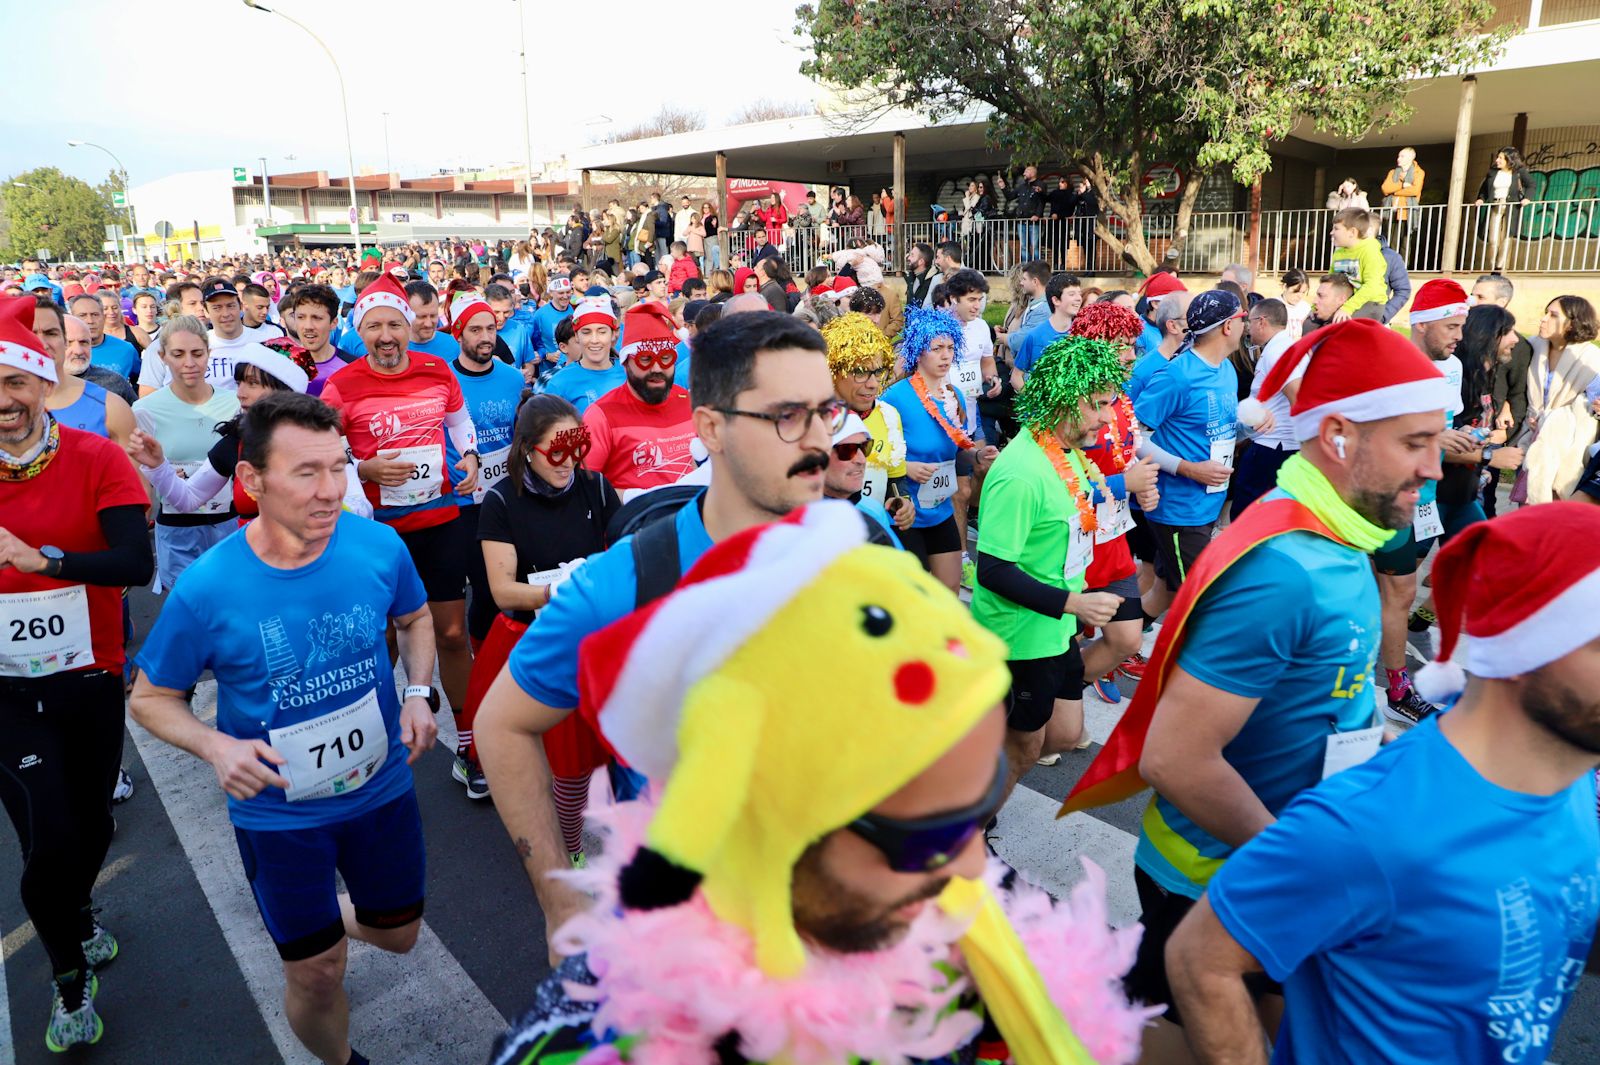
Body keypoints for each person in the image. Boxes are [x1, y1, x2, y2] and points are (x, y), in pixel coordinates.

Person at [487, 501, 1153, 1065]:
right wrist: (557, 900)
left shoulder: (982, 930)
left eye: (972, 809)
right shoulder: (599, 1033)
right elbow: (504, 722)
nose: (973, 866)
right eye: (919, 833)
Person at [1065, 318, 1453, 1059]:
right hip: (1218, 878)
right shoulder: (1286, 566)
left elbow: (1323, 700)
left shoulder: (1337, 540)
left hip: (1271, 867)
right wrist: (1304, 858)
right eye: (1415, 442)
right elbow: (1175, 757)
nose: (1435, 466)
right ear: (1338, 435)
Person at [1167, 502, 1600, 1065]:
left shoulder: (1566, 779)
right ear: (1527, 645)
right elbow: (1201, 957)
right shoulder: (1375, 823)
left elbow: (1557, 920)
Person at [473, 313, 839, 963]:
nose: (818, 442)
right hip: (694, 935)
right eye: (787, 416)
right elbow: (501, 725)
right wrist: (559, 898)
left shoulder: (863, 540)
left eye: (825, 412)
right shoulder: (626, 581)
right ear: (711, 428)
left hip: (843, 911)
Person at [130, 392, 438, 1065]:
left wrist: (418, 693)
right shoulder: (208, 587)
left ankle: (326, 927)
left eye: (340, 466)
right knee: (317, 971)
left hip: (381, 792)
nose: (331, 490)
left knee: (402, 934)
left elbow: (415, 619)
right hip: (279, 817)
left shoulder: (379, 545)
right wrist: (215, 743)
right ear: (251, 480)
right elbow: (151, 697)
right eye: (307, 472)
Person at [0, 296, 153, 1052]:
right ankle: (67, 978)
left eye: (15, 384)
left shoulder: (95, 456)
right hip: (3, 691)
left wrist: (47, 562)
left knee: (90, 822)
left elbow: (136, 560)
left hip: (89, 673)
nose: (4, 403)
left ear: (39, 383)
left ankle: (82, 910)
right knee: (45, 833)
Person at [973, 333, 1129, 801]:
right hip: (1020, 637)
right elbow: (992, 571)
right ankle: (971, 830)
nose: (1107, 417)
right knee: (1023, 749)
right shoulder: (1021, 472)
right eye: (1099, 404)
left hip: (1057, 627)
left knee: (1061, 735)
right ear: (1064, 399)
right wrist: (1075, 601)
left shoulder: (1067, 452)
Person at [320, 272, 481, 718]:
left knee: (450, 632)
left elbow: (459, 423)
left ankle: (470, 747)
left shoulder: (436, 369)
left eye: (395, 325)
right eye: (375, 326)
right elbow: (326, 448)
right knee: (385, 635)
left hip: (441, 519)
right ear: (360, 331)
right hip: (379, 531)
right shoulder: (343, 384)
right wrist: (361, 467)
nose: (386, 336)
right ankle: (375, 738)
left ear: (409, 327)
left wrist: (469, 455)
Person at [462, 397, 620, 843]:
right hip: (531, 638)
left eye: (578, 447)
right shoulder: (501, 500)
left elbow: (624, 557)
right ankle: (562, 847)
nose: (569, 461)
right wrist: (562, 592)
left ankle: (593, 839)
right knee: (551, 757)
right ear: (528, 448)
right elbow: (502, 590)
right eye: (557, 450)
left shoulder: (598, 488)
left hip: (595, 637)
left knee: (606, 751)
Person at [1069, 302, 1163, 707]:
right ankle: (1052, 712)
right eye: (1120, 345)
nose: (1130, 355)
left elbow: (1129, 453)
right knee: (1065, 638)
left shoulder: (1121, 399)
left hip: (1113, 538)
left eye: (1132, 346)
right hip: (1072, 541)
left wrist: (1141, 487)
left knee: (1125, 638)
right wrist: (1125, 483)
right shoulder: (1066, 397)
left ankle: (1067, 693)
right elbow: (1058, 481)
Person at [1133, 290, 1245, 619]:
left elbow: (1217, 430)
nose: (1246, 326)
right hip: (1180, 510)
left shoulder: (1226, 369)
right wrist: (1188, 469)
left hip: (1207, 503)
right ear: (1227, 327)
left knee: (1166, 592)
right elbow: (1133, 437)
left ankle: (1117, 645)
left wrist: (1250, 428)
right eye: (1241, 319)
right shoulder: (1177, 375)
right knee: (1205, 604)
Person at [127, 340, 322, 527]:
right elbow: (189, 499)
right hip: (254, 557)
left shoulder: (318, 442)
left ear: (284, 390)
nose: (240, 393)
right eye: (239, 383)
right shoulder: (236, 442)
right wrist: (158, 466)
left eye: (252, 383)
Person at [443, 292, 527, 726]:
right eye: (474, 330)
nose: (484, 337)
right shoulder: (445, 382)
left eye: (490, 329)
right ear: (459, 334)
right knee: (478, 585)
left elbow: (519, 435)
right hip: (462, 503)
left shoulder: (513, 379)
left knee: (504, 588)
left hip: (505, 498)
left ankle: (502, 663)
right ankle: (479, 661)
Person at [132, 316, 243, 590]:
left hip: (228, 523)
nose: (189, 363)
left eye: (197, 353)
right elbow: (141, 473)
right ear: (163, 357)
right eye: (178, 354)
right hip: (177, 526)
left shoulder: (235, 404)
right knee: (184, 608)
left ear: (209, 353)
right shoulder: (145, 409)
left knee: (228, 604)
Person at [582, 302, 697, 496]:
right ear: (626, 364)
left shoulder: (691, 402)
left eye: (666, 358)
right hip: (634, 522)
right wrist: (637, 500)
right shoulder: (601, 416)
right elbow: (586, 487)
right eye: (645, 360)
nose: (657, 369)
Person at [822, 312, 909, 511]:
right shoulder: (816, 420)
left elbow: (896, 480)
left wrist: (902, 503)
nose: (873, 385)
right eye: (860, 373)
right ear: (834, 371)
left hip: (875, 531)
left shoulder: (888, 415)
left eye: (878, 372)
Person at [1520, 294, 1600, 504]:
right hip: (1528, 435)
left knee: (1555, 506)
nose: (1544, 319)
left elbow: (1594, 406)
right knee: (1525, 505)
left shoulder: (1592, 360)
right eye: (1545, 313)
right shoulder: (1531, 346)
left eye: (1553, 315)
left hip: (1566, 445)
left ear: (1573, 323)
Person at [137, 277, 277, 395]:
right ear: (207, 311)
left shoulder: (265, 342)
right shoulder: (191, 345)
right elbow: (150, 398)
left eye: (230, 306)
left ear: (240, 306)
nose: (226, 313)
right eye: (217, 308)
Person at [1231, 298, 1300, 516]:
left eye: (1250, 322)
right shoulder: (1279, 347)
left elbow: (1297, 396)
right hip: (1272, 444)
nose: (1247, 329)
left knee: (1247, 514)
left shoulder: (1278, 351)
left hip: (1273, 447)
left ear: (1262, 322)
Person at [43, 307, 137, 447]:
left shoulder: (114, 382)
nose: (78, 351)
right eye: (69, 343)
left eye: (84, 342)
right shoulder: (31, 385)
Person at [822, 410, 908, 544]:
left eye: (864, 447)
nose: (861, 460)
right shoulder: (793, 522)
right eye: (847, 450)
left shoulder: (873, 510)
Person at [542, 298, 625, 415]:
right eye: (586, 332)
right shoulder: (560, 382)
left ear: (613, 334)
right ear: (576, 336)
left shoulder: (629, 374)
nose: (594, 340)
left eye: (602, 332)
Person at [1010, 272, 1084, 389]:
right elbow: (1016, 376)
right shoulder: (1035, 336)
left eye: (1079, 294)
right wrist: (1032, 401)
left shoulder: (1083, 335)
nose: (1079, 298)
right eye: (1071, 294)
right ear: (1056, 300)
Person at [285, 284, 357, 397]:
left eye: (317, 318)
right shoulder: (280, 365)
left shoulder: (352, 367)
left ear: (334, 323)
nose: (308, 326)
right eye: (301, 317)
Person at [1474, 146, 1533, 274]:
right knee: (1493, 239)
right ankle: (1492, 265)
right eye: (1498, 157)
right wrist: (1481, 199)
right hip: (1496, 205)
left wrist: (1527, 198)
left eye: (1501, 158)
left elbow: (1531, 185)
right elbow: (1484, 189)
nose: (1497, 160)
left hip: (1511, 206)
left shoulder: (1519, 172)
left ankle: (1500, 267)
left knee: (1507, 236)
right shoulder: (1492, 172)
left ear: (1509, 159)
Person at [1327, 208, 1388, 322]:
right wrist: (1317, 306)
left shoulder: (1370, 252)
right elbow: (1330, 282)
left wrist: (1347, 308)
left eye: (1336, 228)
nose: (1332, 232)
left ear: (1352, 232)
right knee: (1311, 323)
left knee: (1338, 324)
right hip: (1347, 301)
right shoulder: (1339, 252)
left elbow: (1371, 286)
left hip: (1370, 303)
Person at [69, 293, 139, 381]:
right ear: (71, 318)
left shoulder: (127, 349)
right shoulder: (61, 352)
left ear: (103, 316)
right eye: (82, 315)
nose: (90, 321)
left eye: (95, 314)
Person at [1379, 146, 1425, 258]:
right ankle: (1390, 263)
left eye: (1402, 156)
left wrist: (1394, 192)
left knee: (1405, 241)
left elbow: (1414, 190)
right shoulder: (1393, 172)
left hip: (1406, 212)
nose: (1398, 158)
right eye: (1399, 156)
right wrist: (1402, 185)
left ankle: (1403, 266)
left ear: (1410, 158)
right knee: (1391, 240)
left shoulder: (1418, 172)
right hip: (1392, 211)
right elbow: (1385, 189)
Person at [905, 241, 938, 309]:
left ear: (921, 262)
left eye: (912, 255)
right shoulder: (912, 278)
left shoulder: (933, 282)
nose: (908, 258)